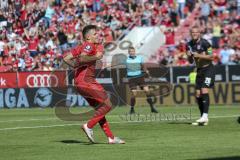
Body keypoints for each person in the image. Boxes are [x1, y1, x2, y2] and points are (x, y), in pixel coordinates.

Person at [63, 25, 125, 144]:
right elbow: (82, 57)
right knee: (107, 105)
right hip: (87, 81)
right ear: (88, 37)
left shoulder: (83, 46)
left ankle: (111, 138)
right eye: (95, 34)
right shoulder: (89, 45)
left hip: (80, 83)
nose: (98, 35)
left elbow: (66, 58)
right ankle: (88, 126)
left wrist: (76, 65)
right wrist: (95, 56)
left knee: (100, 109)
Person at [186, 26, 214, 126]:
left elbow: (212, 57)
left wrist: (199, 55)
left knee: (204, 90)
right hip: (199, 70)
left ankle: (205, 116)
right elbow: (190, 61)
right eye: (193, 32)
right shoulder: (188, 45)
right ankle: (203, 118)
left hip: (208, 69)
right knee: (198, 95)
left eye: (196, 32)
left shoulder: (205, 43)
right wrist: (189, 56)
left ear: (199, 33)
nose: (194, 34)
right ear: (191, 33)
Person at [125, 46, 158, 114]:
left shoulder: (140, 58)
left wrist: (146, 71)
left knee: (147, 91)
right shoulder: (126, 60)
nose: (132, 53)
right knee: (134, 94)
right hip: (132, 78)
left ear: (135, 52)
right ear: (128, 53)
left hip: (140, 78)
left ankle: (152, 108)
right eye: (130, 52)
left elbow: (143, 66)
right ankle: (132, 109)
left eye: (133, 51)